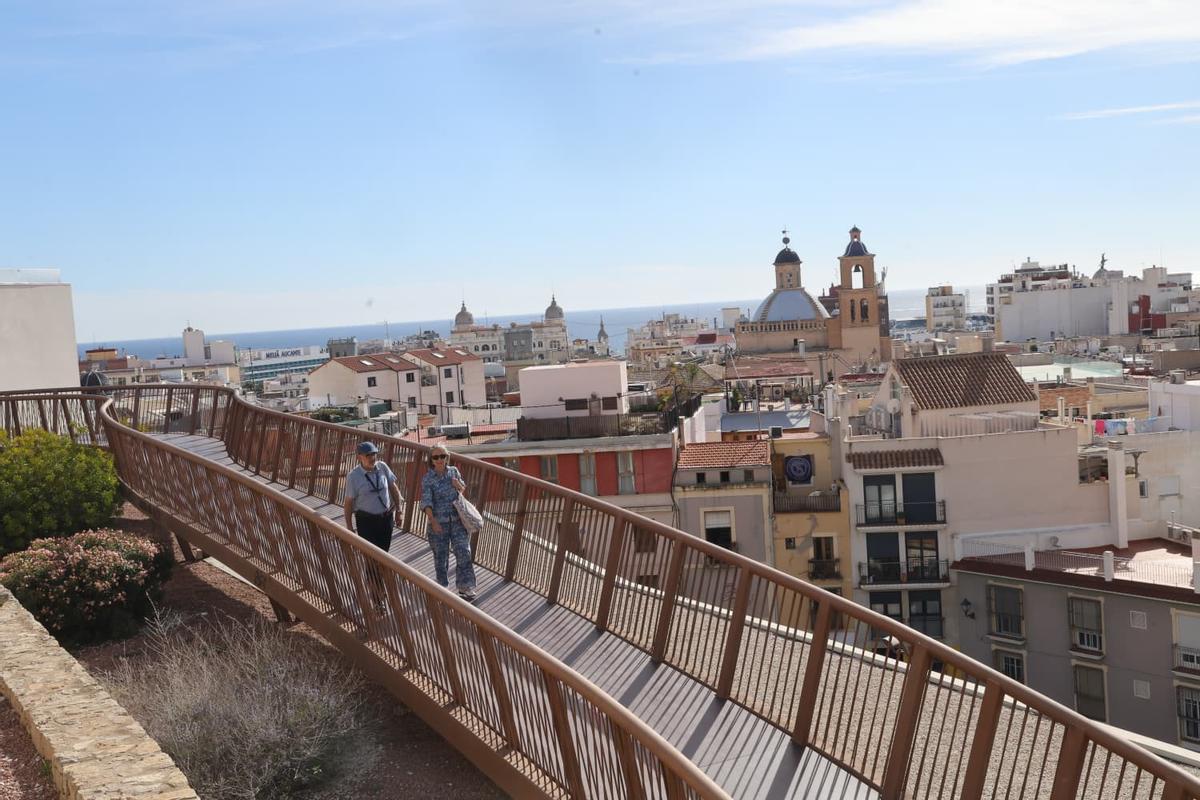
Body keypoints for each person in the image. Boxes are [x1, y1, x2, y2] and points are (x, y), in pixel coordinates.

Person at [343, 441, 401, 606]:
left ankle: (379, 591)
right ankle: (377, 599)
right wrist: (349, 527)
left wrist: (399, 510)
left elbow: (394, 488)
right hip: (366, 521)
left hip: (385, 519)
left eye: (374, 454)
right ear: (359, 457)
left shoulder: (382, 467)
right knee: (371, 560)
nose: (372, 458)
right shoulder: (353, 476)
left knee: (382, 559)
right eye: (368, 455)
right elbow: (348, 503)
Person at [419, 444, 477, 601]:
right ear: (431, 459)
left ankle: (465, 587)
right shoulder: (428, 479)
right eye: (436, 457)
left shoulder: (453, 471)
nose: (439, 460)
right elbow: (426, 502)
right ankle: (442, 587)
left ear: (447, 457)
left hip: (457, 521)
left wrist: (460, 486)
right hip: (439, 523)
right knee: (441, 557)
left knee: (464, 552)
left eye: (442, 456)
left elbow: (462, 488)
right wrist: (433, 521)